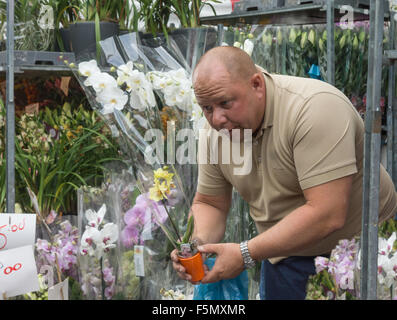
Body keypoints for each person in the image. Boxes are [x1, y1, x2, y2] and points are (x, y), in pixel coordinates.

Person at [170, 46, 397, 300]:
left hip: (362, 255)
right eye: (207, 108)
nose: (217, 119)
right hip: (283, 254)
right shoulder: (215, 134)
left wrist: (245, 253)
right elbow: (210, 203)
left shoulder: (314, 108)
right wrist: (195, 246)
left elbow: (327, 213)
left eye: (225, 103)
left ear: (256, 84)